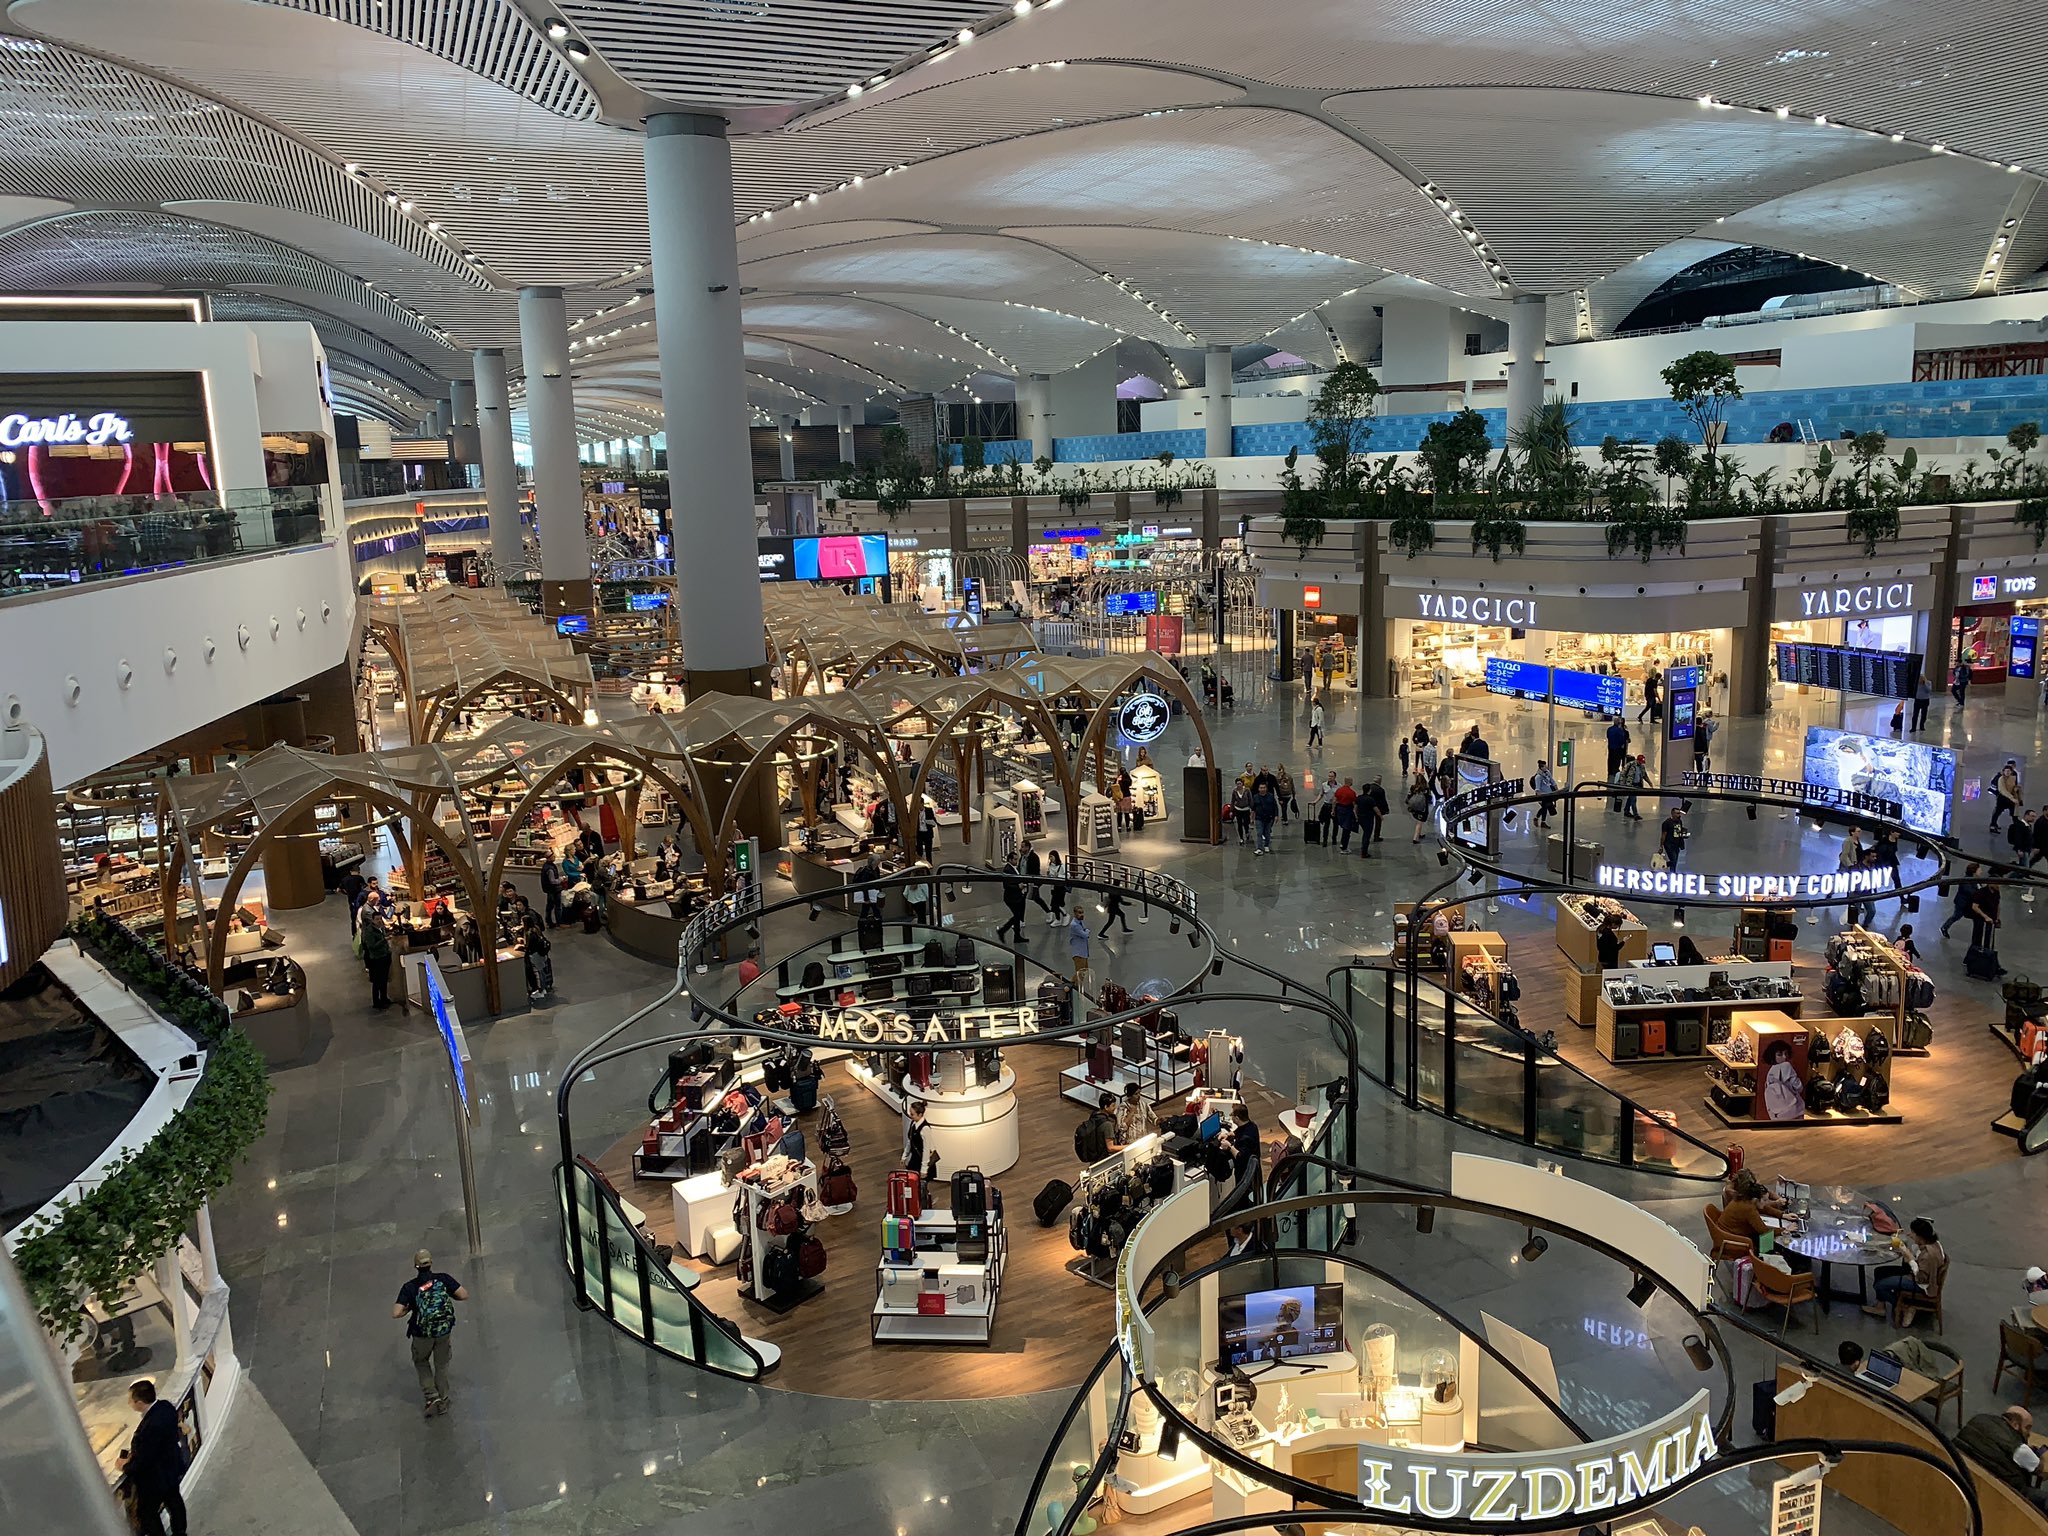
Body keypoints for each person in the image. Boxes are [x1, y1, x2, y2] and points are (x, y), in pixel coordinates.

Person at [394, 1248, 468, 1417]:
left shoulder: (410, 1287)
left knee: (421, 1361)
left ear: (416, 1266)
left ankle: (432, 1396)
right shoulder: (443, 1279)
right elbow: (464, 1295)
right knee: (441, 1365)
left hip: (422, 1334)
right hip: (443, 1331)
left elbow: (396, 1313)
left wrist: (409, 1308)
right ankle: (443, 1399)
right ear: (431, 1263)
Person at [120, 1379, 189, 1536]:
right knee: (175, 1503)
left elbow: (144, 1460)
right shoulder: (166, 1407)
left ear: (139, 1403)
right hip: (172, 1468)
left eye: (131, 1400)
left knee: (147, 1513)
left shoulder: (149, 1427)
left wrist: (125, 1466)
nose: (129, 1403)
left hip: (156, 1478)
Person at [1955, 1406, 2046, 1501]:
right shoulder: (2018, 1448)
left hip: (1965, 1473)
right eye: (2027, 1428)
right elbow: (2038, 1468)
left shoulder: (1979, 1418)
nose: (2029, 1433)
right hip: (2002, 1491)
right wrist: (2040, 1455)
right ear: (2015, 1425)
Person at [1870, 1217, 1945, 1323]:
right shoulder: (1933, 1243)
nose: (1910, 1235)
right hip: (1917, 1272)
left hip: (1920, 1284)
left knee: (1880, 1286)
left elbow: (1921, 1278)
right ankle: (1880, 1306)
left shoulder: (1928, 1255)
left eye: (1913, 1233)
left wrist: (1910, 1258)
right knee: (1879, 1271)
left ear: (1920, 1236)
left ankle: (1903, 1306)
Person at [356, 909, 393, 1010]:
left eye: (380, 919)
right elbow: (372, 946)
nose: (379, 921)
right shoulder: (369, 931)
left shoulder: (381, 928)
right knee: (377, 982)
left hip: (384, 956)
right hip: (376, 959)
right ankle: (377, 1002)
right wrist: (384, 940)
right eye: (377, 919)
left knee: (384, 980)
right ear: (372, 920)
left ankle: (384, 998)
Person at [1942, 862, 1983, 938]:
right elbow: (1970, 892)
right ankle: (1944, 927)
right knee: (1956, 916)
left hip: (1969, 904)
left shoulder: (1977, 880)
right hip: (1962, 904)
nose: (1981, 871)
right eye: (1979, 870)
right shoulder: (1966, 881)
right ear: (1974, 871)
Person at [1075, 1094, 1116, 1163]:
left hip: (1094, 1159)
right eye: (1113, 1105)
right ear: (1106, 1107)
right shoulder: (1107, 1124)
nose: (1115, 1108)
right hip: (1104, 1160)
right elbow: (1110, 1147)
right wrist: (1128, 1146)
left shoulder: (1094, 1116)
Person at [996, 857, 1028, 942]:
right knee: (1017, 915)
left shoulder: (1013, 868)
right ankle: (1003, 931)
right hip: (1011, 898)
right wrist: (1018, 887)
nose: (1016, 861)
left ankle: (1016, 936)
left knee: (1017, 916)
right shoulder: (1007, 870)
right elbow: (1006, 885)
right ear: (1010, 860)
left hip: (1016, 896)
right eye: (1014, 859)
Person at [1115, 1082, 1152, 1147]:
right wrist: (1131, 1113)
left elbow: (1153, 1119)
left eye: (1139, 1093)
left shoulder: (1143, 1104)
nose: (1139, 1095)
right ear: (1130, 1095)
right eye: (1136, 1094)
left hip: (1143, 1140)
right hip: (1129, 1143)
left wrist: (1160, 1120)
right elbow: (1121, 1127)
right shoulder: (1123, 1107)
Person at [1992, 760, 2024, 834]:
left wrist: (2016, 790)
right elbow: (2002, 790)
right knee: (1998, 811)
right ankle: (1993, 825)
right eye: (2006, 771)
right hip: (2002, 798)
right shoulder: (2000, 778)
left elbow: (2015, 785)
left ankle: (2016, 826)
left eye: (2009, 771)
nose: (2008, 772)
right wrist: (2012, 798)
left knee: (2014, 813)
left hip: (2010, 797)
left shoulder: (2013, 776)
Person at [1022, 840, 1052, 915]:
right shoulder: (1023, 857)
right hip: (1025, 881)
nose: (1021, 848)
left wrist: (1034, 883)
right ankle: (1048, 912)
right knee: (1031, 898)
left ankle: (1049, 912)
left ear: (1027, 847)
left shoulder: (1034, 857)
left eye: (1023, 847)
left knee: (1035, 898)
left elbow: (1035, 871)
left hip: (1031, 882)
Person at [1251, 775, 1278, 855]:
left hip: (1269, 818)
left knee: (1267, 832)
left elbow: (1275, 806)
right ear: (1258, 789)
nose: (1262, 789)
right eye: (1261, 788)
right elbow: (1253, 809)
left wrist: (1276, 816)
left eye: (1264, 788)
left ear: (1266, 788)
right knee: (1259, 833)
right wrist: (1252, 818)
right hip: (1259, 818)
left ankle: (1266, 845)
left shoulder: (1271, 796)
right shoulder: (1255, 797)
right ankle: (1259, 848)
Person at [1617, 753, 1649, 820]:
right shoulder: (1630, 765)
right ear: (1637, 760)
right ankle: (1635, 814)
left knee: (1630, 798)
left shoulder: (1642, 767)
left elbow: (1644, 775)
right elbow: (1622, 774)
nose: (1641, 763)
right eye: (1641, 762)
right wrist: (1622, 784)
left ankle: (1626, 811)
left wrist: (1649, 782)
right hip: (1630, 785)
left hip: (1637, 785)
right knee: (1633, 800)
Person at [1332, 776, 1360, 852]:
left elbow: (1334, 801)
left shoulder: (1339, 790)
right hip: (1347, 811)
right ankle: (1344, 847)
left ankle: (1342, 844)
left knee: (1343, 826)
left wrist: (1333, 810)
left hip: (1339, 810)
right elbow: (1355, 805)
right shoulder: (1352, 792)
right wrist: (1356, 815)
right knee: (1347, 829)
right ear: (1350, 782)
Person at [1364, 773, 1391, 849]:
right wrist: (1386, 809)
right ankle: (1376, 836)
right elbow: (1383, 801)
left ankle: (1367, 835)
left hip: (1368, 808)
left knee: (1369, 822)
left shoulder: (1369, 787)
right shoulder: (1380, 790)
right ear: (1380, 781)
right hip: (1378, 809)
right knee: (1378, 823)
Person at [1069, 910, 1093, 996]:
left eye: (1082, 912)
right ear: (1075, 913)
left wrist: (1086, 931)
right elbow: (1085, 934)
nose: (1082, 914)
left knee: (1084, 970)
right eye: (1079, 913)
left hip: (1083, 951)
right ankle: (1076, 988)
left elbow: (1085, 930)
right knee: (1080, 972)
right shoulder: (1074, 925)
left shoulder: (1080, 922)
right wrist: (1087, 931)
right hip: (1078, 952)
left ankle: (1073, 982)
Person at [1407, 771, 1434, 844]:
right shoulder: (1426, 789)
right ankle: (1415, 838)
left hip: (1414, 808)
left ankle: (1419, 833)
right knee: (1419, 822)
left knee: (1418, 821)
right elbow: (1429, 798)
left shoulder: (1413, 787)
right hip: (1422, 809)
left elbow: (1409, 796)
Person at [1530, 760, 1559, 828]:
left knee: (1544, 808)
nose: (1547, 767)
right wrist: (1539, 798)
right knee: (1544, 808)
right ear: (1541, 768)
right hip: (1542, 795)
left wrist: (1556, 789)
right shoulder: (1538, 777)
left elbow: (1552, 781)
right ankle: (1542, 822)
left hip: (1549, 794)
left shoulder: (1547, 773)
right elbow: (1537, 789)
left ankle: (1537, 819)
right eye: (1545, 767)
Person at [1044, 850, 1069, 926]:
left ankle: (1064, 915)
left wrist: (1058, 876)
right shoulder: (1050, 866)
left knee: (1056, 904)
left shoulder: (1062, 866)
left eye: (1052, 856)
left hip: (1061, 888)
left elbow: (1067, 876)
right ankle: (1058, 919)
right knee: (1054, 904)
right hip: (1054, 887)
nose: (1050, 858)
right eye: (1049, 857)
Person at [902, 1099, 927, 1172]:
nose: (910, 1116)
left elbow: (926, 1149)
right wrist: (904, 1156)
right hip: (915, 1159)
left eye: (912, 1114)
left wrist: (924, 1169)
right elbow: (910, 1141)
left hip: (921, 1161)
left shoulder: (925, 1128)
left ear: (920, 1114)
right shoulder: (913, 1123)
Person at [342, 866, 368, 935]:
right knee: (362, 916)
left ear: (350, 871)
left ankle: (354, 933)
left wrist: (347, 893)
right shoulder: (359, 878)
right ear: (358, 871)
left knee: (353, 918)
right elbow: (364, 887)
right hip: (360, 900)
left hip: (351, 901)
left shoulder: (345, 879)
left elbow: (339, 889)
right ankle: (362, 932)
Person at [1230, 780, 1253, 845]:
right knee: (1239, 824)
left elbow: (1250, 799)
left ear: (1242, 784)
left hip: (1246, 809)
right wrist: (1231, 810)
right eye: (1237, 784)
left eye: (1240, 783)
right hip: (1238, 809)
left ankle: (1247, 831)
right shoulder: (1234, 791)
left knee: (1246, 823)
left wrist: (1252, 809)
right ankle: (1241, 838)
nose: (1239, 785)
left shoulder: (1247, 790)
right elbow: (1232, 801)